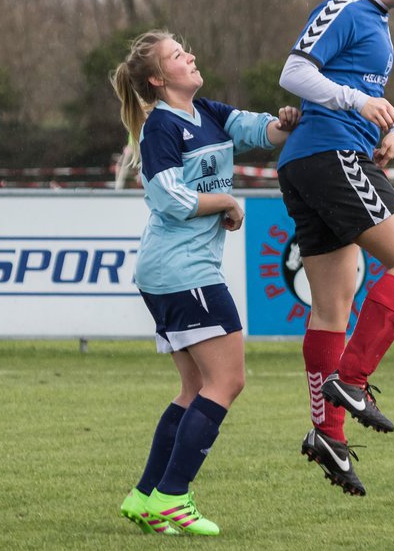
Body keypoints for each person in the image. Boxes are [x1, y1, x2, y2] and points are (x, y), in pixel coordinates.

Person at [262, 0, 394, 496]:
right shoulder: (348, 8)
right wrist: (359, 102)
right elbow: (295, 72)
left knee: (334, 302)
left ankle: (326, 433)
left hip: (321, 158)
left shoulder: (376, 22)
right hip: (328, 157)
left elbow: (354, 89)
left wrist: (391, 126)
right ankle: (353, 381)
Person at [110, 29, 300, 534]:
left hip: (175, 272)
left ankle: (146, 494)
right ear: (157, 78)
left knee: (195, 386)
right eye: (177, 55)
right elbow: (169, 198)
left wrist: (286, 121)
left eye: (186, 49)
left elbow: (261, 132)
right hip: (181, 272)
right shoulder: (162, 129)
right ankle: (174, 496)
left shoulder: (209, 114)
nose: (190, 56)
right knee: (227, 381)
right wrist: (227, 203)